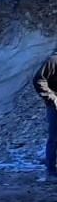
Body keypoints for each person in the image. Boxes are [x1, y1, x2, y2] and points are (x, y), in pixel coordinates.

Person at [34, 51, 57, 180]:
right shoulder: (53, 60)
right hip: (55, 107)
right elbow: (38, 79)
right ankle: (51, 171)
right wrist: (52, 97)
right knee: (54, 138)